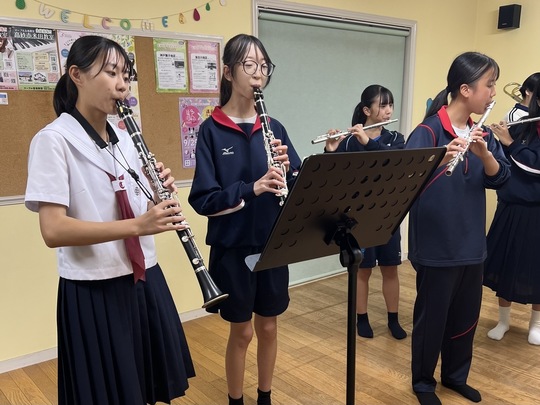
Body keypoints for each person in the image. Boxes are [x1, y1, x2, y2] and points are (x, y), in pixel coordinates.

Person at [24, 35, 195, 405]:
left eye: (126, 76)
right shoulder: (53, 140)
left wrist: (158, 194)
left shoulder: (127, 139)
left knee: (144, 387)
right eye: (111, 73)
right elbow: (53, 230)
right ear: (77, 75)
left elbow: (135, 204)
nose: (122, 85)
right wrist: (138, 225)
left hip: (144, 277)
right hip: (94, 288)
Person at [188, 34, 301, 405]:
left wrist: (291, 170)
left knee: (268, 327)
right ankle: (235, 400)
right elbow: (204, 199)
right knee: (242, 333)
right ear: (228, 72)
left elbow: (297, 184)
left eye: (264, 66)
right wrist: (252, 189)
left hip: (273, 243)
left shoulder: (275, 127)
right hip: (234, 247)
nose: (258, 74)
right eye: (249, 65)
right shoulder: (211, 130)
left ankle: (264, 396)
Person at [404, 51, 510, 405]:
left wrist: (485, 155)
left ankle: (455, 376)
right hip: (437, 247)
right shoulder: (428, 131)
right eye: (489, 85)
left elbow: (501, 179)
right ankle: (423, 382)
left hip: (471, 244)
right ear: (465, 90)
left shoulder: (482, 133)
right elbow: (404, 183)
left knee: (465, 319)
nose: (492, 93)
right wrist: (439, 160)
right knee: (432, 320)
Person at [324, 84, 406, 340]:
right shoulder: (350, 141)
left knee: (390, 268)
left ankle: (393, 319)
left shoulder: (396, 138)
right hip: (358, 217)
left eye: (390, 105)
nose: (388, 110)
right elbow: (333, 177)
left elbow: (394, 164)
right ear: (366, 110)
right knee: (363, 269)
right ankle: (362, 318)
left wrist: (369, 142)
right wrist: (330, 150)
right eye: (383, 105)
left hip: (388, 213)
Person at [484, 80, 540, 345]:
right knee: (504, 267)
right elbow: (507, 163)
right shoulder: (522, 124)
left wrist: (510, 143)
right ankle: (503, 321)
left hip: (537, 209)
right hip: (511, 205)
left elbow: (535, 166)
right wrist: (500, 140)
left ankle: (536, 325)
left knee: (537, 270)